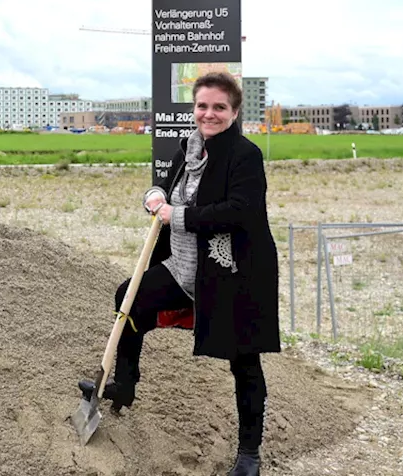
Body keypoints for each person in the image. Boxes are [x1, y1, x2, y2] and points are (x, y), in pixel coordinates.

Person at [77, 71, 280, 476]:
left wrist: (178, 215)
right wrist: (153, 196)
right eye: (202, 106)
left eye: (219, 107)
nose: (209, 114)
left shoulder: (245, 155)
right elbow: (167, 192)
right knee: (129, 298)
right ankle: (125, 384)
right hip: (184, 266)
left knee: (244, 361)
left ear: (235, 111)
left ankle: (249, 454)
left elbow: (240, 211)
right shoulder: (188, 148)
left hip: (232, 272)